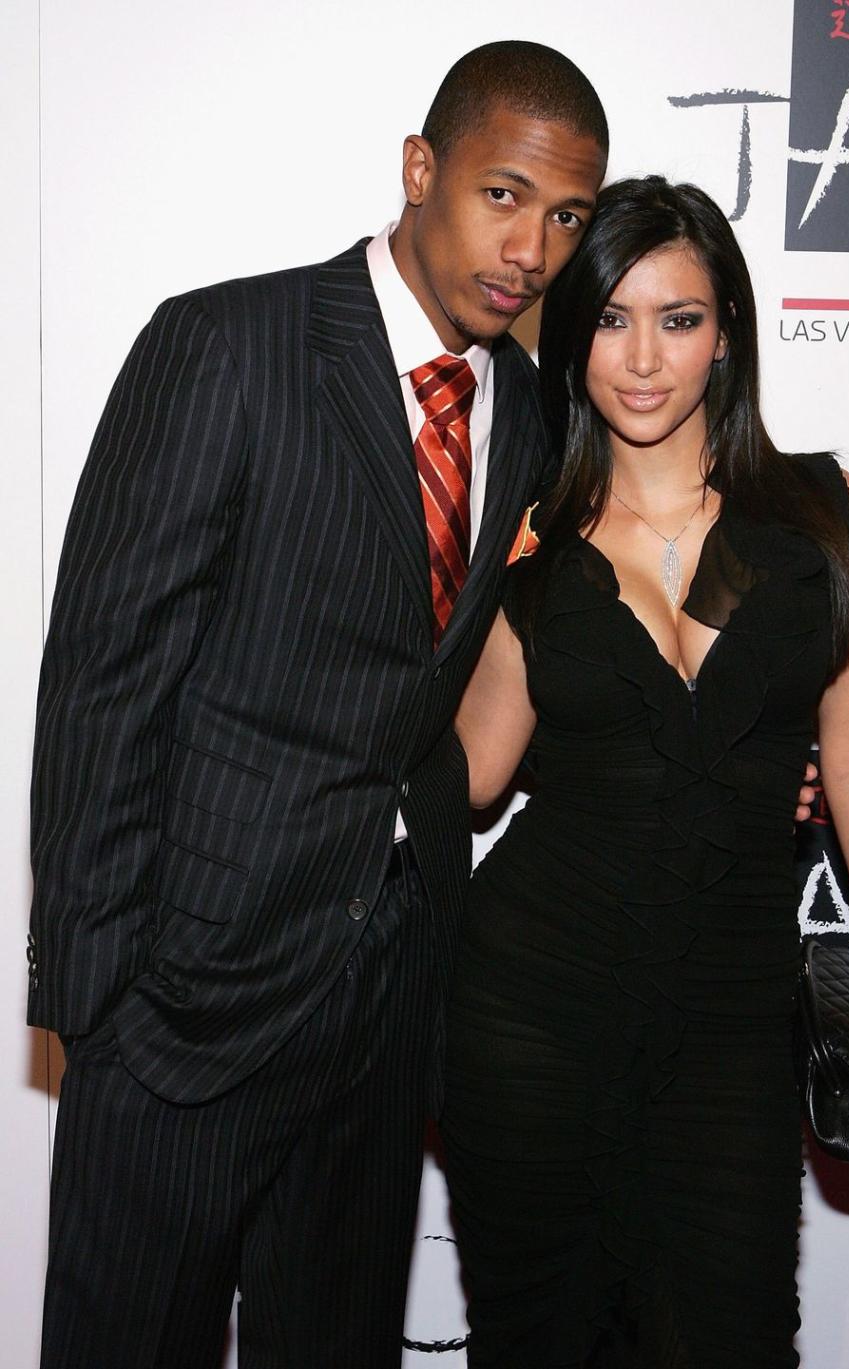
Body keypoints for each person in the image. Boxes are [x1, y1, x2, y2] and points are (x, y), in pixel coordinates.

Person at [27, 42, 610, 1369]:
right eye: (504, 194)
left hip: (385, 1012)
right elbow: (102, 679)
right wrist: (99, 999)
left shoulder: (524, 408)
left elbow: (470, 679)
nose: (530, 246)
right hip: (182, 1006)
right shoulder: (229, 346)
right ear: (423, 170)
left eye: (565, 215)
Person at [443, 176, 849, 1368]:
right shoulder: (537, 538)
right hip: (531, 1014)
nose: (644, 359)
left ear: (728, 332)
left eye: (681, 317)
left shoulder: (822, 514)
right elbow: (471, 778)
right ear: (572, 335)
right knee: (543, 1337)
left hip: (731, 1029)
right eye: (611, 319)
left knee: (733, 1329)